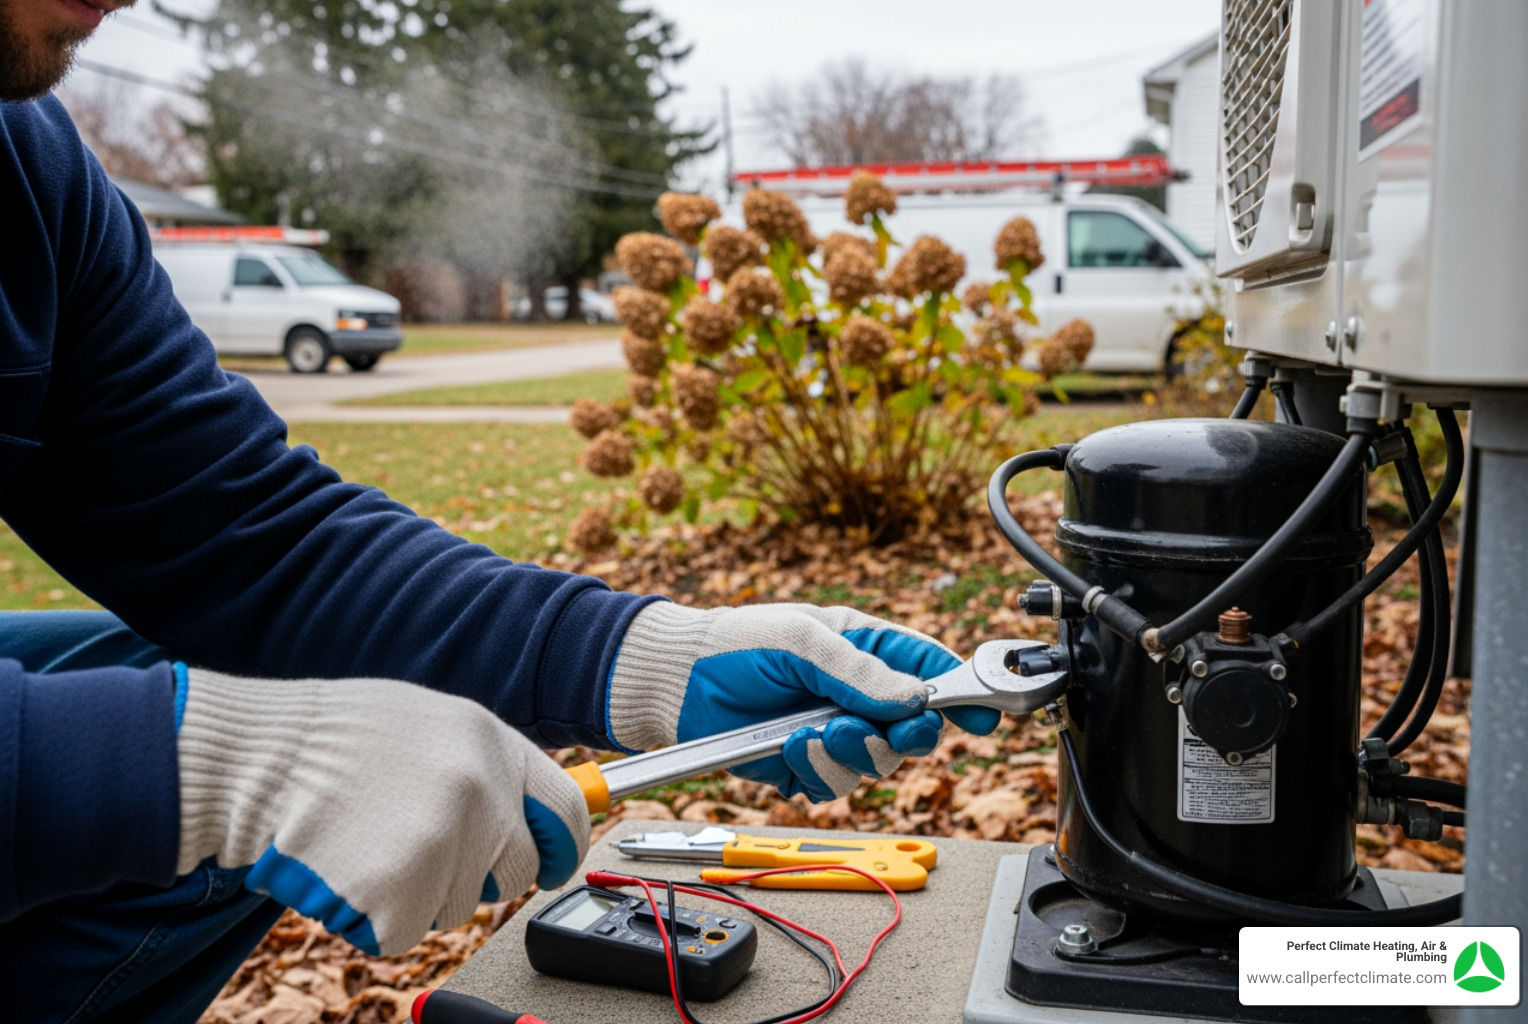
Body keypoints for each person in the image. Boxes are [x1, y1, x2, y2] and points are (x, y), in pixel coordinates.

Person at [0, 2, 1000, 1019]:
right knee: (180, 757)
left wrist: (642, 655)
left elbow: (245, 534)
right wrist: (202, 764)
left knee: (183, 707)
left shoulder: (30, 173)